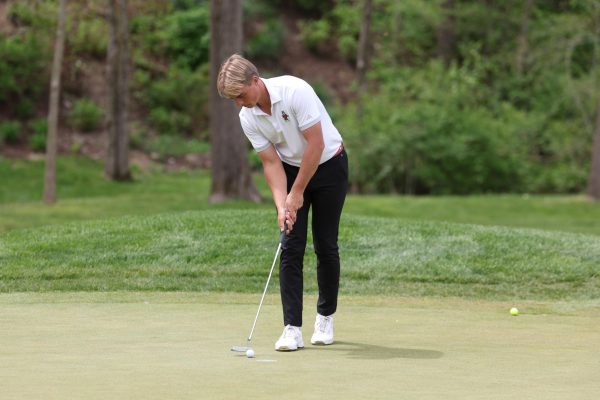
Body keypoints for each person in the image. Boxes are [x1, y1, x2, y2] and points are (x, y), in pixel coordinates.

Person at [217, 54, 348, 351]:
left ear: (255, 80)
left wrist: (298, 191)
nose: (239, 102)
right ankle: (292, 328)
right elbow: (270, 162)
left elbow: (315, 143)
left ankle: (325, 317)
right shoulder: (247, 115)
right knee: (290, 245)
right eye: (233, 99)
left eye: (240, 94)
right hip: (289, 167)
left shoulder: (294, 91)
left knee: (325, 244)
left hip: (328, 164)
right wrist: (282, 205)